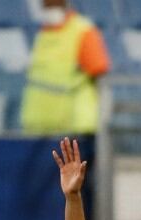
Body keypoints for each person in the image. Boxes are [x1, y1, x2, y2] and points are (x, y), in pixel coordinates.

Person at [21, 0, 110, 134]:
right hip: (39, 128)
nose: (49, 7)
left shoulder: (83, 31)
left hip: (74, 130)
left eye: (54, 3)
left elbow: (100, 74)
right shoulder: (43, 34)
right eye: (47, 4)